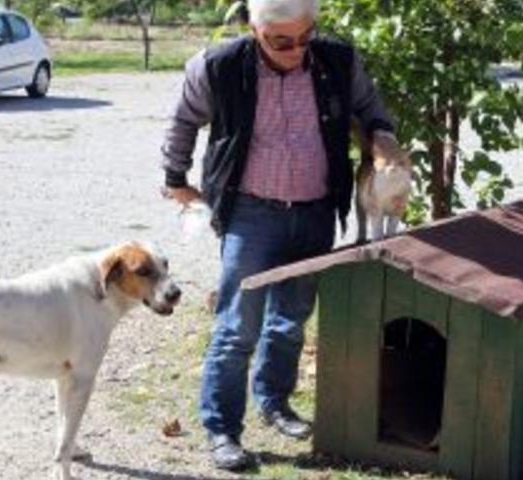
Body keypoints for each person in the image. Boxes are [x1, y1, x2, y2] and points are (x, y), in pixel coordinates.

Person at [161, 0, 410, 471]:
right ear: (255, 31)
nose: (297, 49)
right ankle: (222, 430)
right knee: (238, 328)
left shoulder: (337, 59)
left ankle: (274, 402)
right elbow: (183, 119)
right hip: (251, 213)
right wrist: (176, 177)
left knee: (290, 320)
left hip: (316, 209)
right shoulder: (218, 66)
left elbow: (371, 110)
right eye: (282, 41)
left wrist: (383, 140)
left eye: (305, 37)